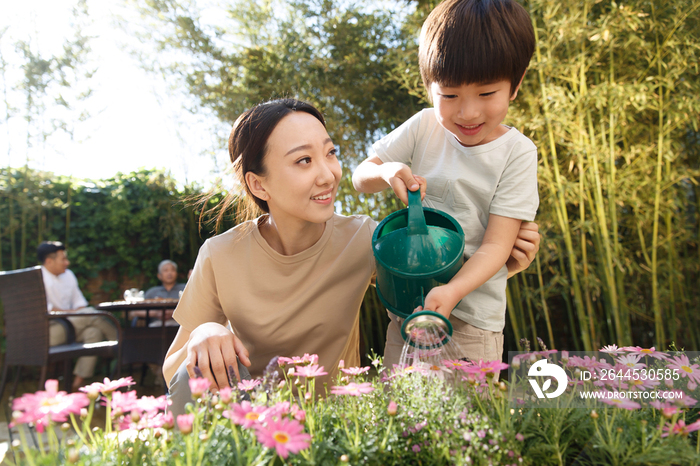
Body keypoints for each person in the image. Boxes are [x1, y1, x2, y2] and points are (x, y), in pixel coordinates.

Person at [164, 99, 540, 417]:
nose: (328, 174)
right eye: (303, 161)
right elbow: (174, 373)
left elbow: (429, 294)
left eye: (330, 153)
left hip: (338, 428)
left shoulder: (363, 239)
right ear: (258, 183)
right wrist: (205, 330)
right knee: (193, 373)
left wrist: (503, 265)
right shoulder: (220, 254)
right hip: (248, 422)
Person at [352, 0, 538, 368]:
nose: (468, 112)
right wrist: (387, 170)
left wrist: (452, 290)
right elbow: (360, 178)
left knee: (467, 423)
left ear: (515, 86)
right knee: (399, 411)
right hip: (409, 306)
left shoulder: (517, 153)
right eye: (449, 95)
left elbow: (497, 246)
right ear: (429, 88)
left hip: (473, 318)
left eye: (486, 94)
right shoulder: (423, 127)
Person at [38, 241, 119, 391]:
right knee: (89, 313)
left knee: (93, 332)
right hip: (49, 331)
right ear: (49, 261)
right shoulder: (37, 278)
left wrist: (79, 313)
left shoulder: (68, 275)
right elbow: (49, 311)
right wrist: (79, 314)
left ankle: (77, 384)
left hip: (70, 327)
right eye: (63, 259)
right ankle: (122, 344)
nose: (67, 263)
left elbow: (79, 304)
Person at [129, 259, 186, 327]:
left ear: (176, 273)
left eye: (172, 270)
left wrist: (173, 313)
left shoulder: (185, 289)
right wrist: (156, 313)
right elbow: (133, 313)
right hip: (155, 327)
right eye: (165, 270)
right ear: (159, 276)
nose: (169, 273)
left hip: (180, 326)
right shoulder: (152, 292)